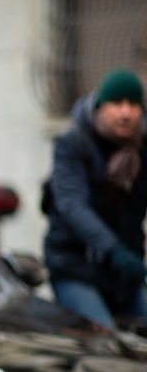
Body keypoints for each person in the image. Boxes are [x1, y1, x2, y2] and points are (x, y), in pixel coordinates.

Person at [44, 68, 147, 329]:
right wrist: (115, 251)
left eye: (133, 104)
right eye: (117, 103)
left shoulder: (141, 148)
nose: (126, 112)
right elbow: (72, 205)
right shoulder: (74, 143)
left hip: (124, 275)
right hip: (76, 269)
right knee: (105, 342)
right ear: (100, 106)